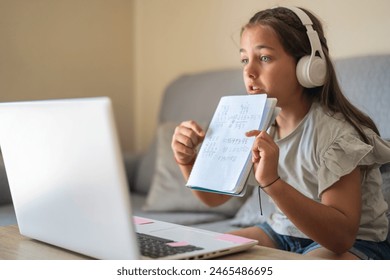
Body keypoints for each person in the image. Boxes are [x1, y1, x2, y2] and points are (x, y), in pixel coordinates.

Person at [171, 6, 390, 259]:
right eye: (244, 59)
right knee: (205, 254)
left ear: (308, 66)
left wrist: (273, 183)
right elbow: (213, 199)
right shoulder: (252, 123)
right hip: (280, 231)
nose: (249, 71)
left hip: (355, 242)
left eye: (264, 58)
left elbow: (340, 237)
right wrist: (187, 160)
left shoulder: (337, 136)